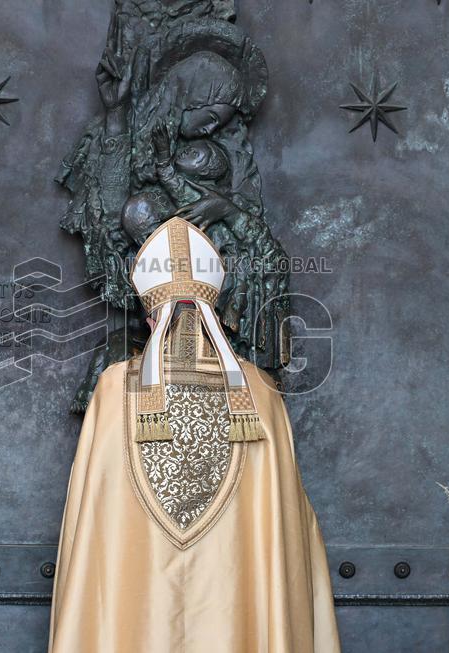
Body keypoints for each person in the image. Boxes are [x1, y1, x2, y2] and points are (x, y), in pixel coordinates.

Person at [47, 217, 342, 652]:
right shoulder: (259, 391)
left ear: (151, 319)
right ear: (214, 315)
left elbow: (90, 523)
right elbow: (289, 524)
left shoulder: (113, 389)